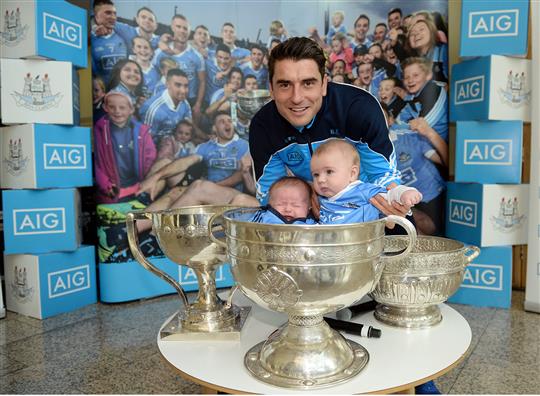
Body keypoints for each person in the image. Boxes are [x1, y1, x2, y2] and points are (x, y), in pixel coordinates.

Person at [248, 37, 410, 220]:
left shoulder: (358, 107)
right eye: (285, 85)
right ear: (271, 88)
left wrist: (389, 206)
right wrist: (306, 191)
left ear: (324, 84)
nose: (297, 98)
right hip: (313, 212)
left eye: (308, 83)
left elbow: (383, 175)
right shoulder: (263, 126)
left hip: (369, 206)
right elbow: (274, 196)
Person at [311, 139, 421, 224]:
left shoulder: (362, 190)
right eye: (316, 174)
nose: (320, 180)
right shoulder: (322, 199)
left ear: (352, 173)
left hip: (362, 244)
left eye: (329, 171)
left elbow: (389, 196)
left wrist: (404, 193)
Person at [381, 103, 447, 236]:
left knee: (426, 226)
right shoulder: (360, 149)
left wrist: (430, 133)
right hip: (401, 203)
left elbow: (447, 162)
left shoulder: (409, 137)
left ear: (390, 120)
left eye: (379, 116)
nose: (375, 121)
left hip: (432, 198)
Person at [94, 91, 156, 204]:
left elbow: (150, 156)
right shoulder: (99, 130)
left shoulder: (142, 131)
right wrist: (105, 185)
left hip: (138, 186)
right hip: (113, 189)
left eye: (122, 107)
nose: (117, 111)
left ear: (131, 110)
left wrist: (145, 180)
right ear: (105, 107)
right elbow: (95, 163)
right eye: (112, 107)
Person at [154, 14, 206, 123]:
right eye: (178, 27)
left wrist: (198, 104)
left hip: (189, 99)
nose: (182, 31)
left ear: (189, 32)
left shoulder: (197, 56)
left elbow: (202, 81)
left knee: (188, 133)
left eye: (185, 28)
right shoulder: (160, 53)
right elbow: (153, 74)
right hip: (167, 99)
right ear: (172, 27)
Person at [397, 57, 448, 141]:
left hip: (436, 147)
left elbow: (422, 127)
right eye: (406, 77)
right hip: (421, 142)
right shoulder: (413, 97)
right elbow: (398, 120)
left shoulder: (434, 91)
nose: (410, 80)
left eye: (415, 75)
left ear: (428, 76)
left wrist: (403, 126)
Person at [139, 68, 192, 146]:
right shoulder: (154, 109)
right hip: (155, 149)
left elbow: (189, 126)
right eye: (178, 85)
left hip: (175, 143)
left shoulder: (184, 102)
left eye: (186, 86)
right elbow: (145, 142)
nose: (183, 91)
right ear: (167, 84)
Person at [251, 176, 317, 224]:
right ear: (270, 204)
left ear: (309, 207)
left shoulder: (311, 225)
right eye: (281, 204)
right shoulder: (262, 217)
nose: (288, 209)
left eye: (296, 205)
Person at [91, 0, 128, 84]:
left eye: (114, 13)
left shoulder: (123, 36)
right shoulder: (90, 40)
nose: (113, 17)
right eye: (108, 13)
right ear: (96, 16)